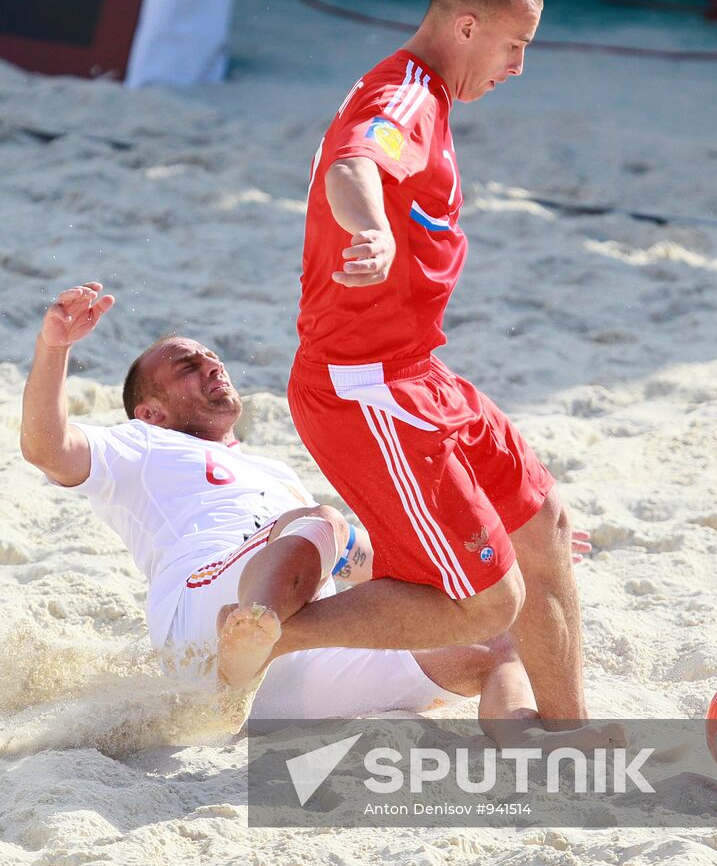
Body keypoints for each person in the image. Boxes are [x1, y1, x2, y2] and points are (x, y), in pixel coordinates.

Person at [19, 284, 614, 746]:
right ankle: (250, 634)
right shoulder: (142, 447)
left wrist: (509, 545)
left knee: (493, 641)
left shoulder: (274, 475)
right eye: (187, 368)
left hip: (287, 677)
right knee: (321, 522)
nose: (211, 367)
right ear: (150, 412)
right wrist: (54, 348)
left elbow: (367, 564)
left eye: (211, 359)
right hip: (204, 620)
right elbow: (47, 447)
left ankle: (525, 740)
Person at [286, 0, 586, 721]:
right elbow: (351, 166)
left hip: (418, 372)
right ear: (466, 24)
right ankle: (279, 634)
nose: (520, 66)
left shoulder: (425, 95)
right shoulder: (407, 98)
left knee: (545, 528)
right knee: (487, 605)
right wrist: (374, 228)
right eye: (515, 45)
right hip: (365, 388)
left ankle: (570, 734)